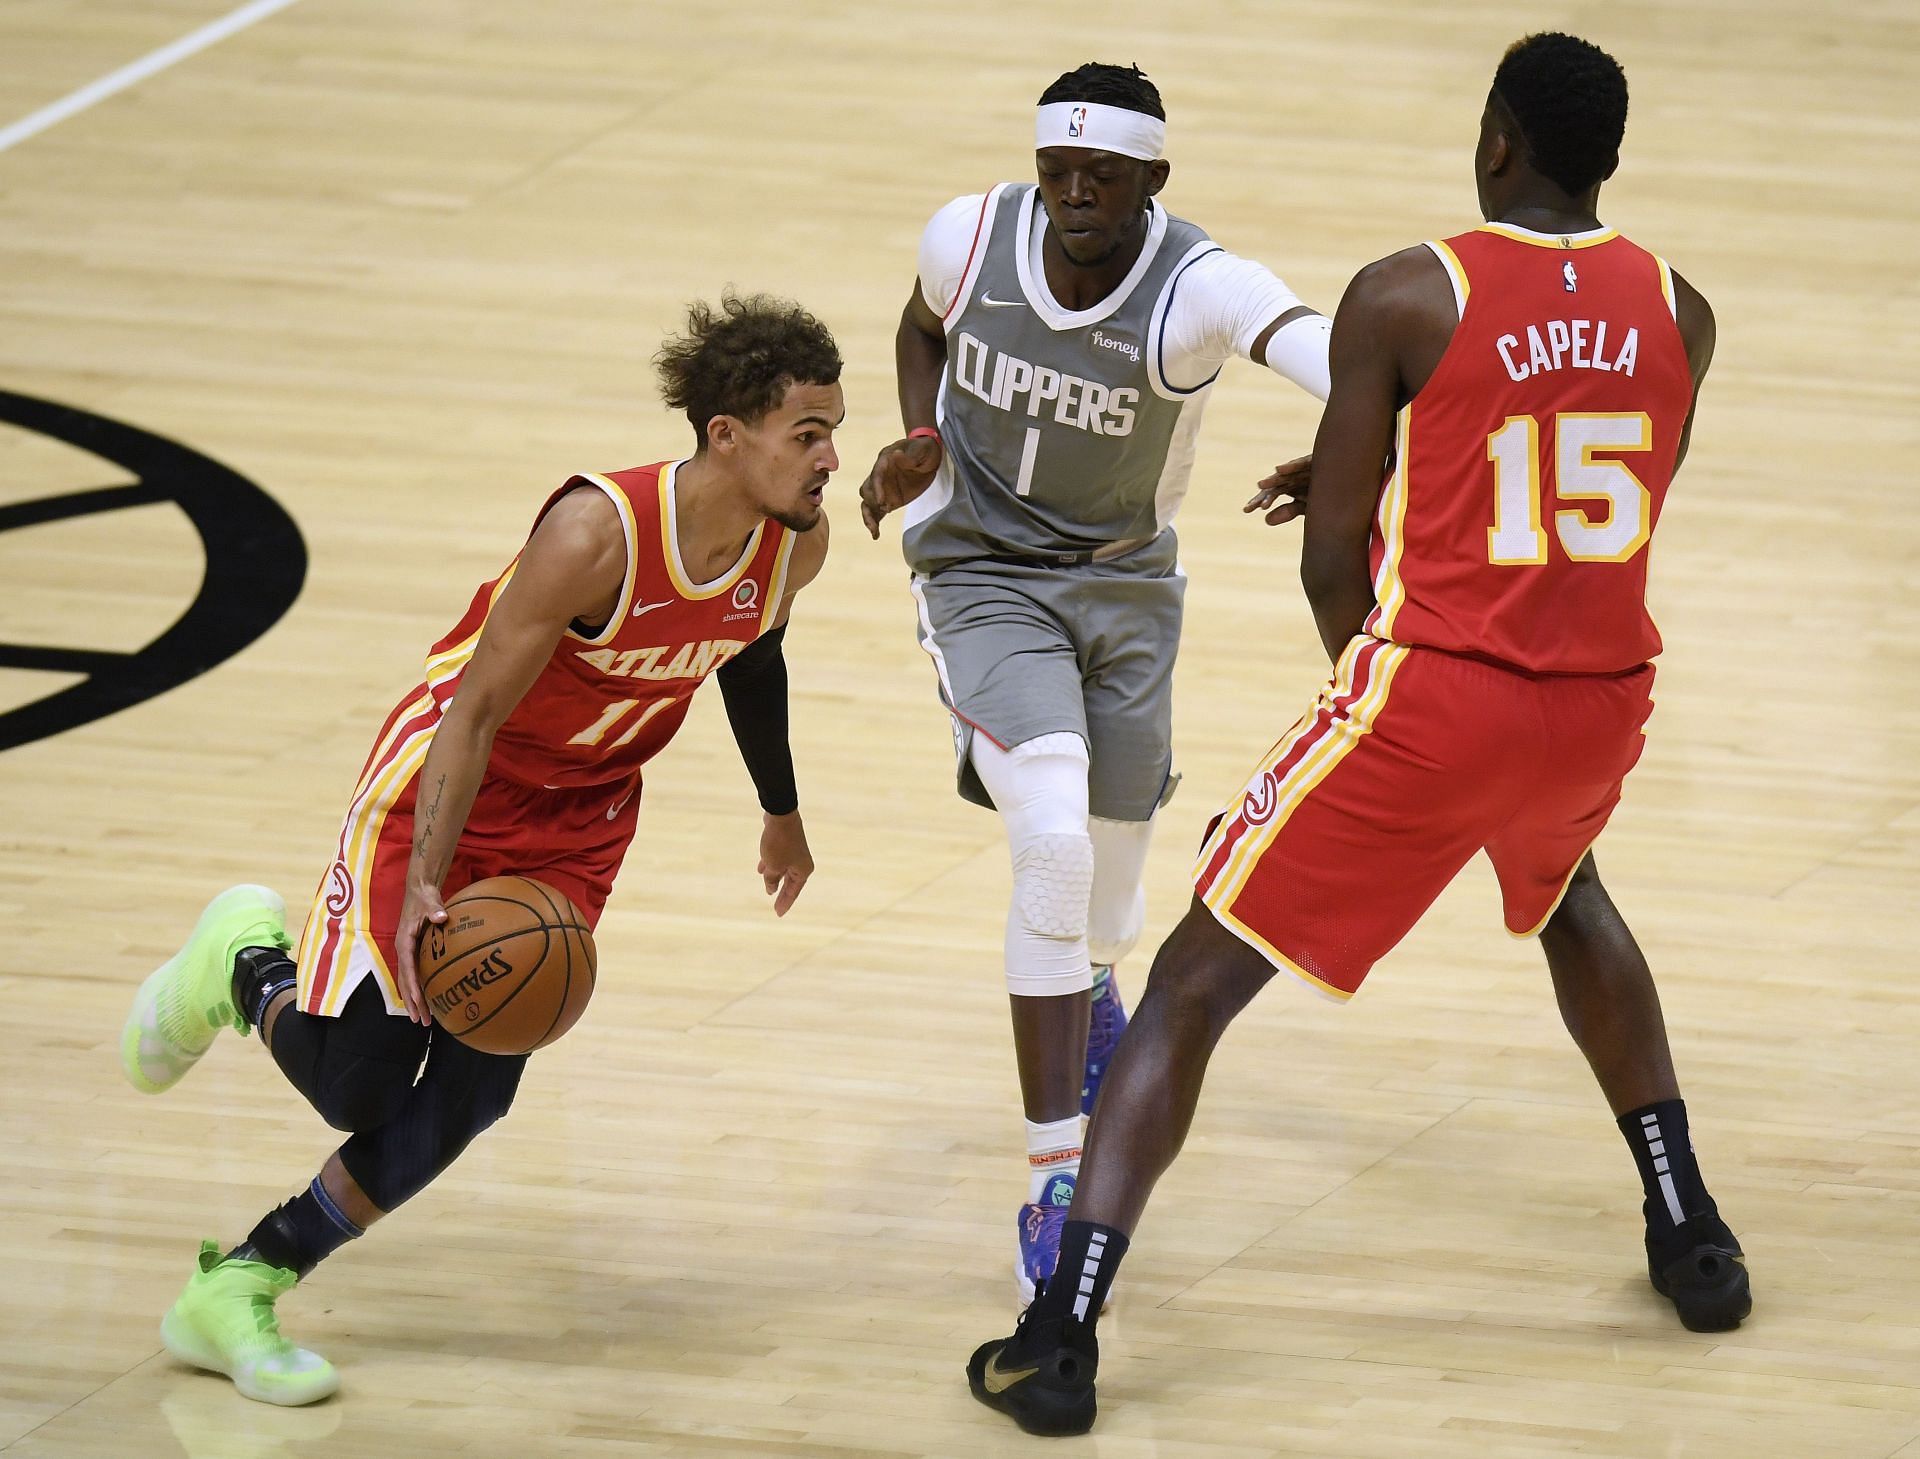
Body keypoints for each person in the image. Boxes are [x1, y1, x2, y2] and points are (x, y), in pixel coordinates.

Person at [967, 33, 1752, 1436]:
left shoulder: (1406, 291)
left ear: (1498, 141)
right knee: (1574, 899)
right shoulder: (1681, 309)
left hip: (1433, 699)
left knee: (1199, 972)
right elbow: (1606, 492)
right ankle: (1691, 1225)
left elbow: (1336, 563)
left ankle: (1060, 1325)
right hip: (1601, 696)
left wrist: (1396, 734)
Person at [120, 293, 844, 1405]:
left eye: (834, 430)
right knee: (361, 1085)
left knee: (476, 1083)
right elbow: (472, 711)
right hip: (454, 785)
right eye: (809, 433)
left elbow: (750, 656)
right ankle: (243, 962)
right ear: (725, 437)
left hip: (581, 818)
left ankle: (243, 1281)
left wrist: (780, 809)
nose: (831, 456)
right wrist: (417, 884)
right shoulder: (593, 536)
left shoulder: (795, 545)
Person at [857, 62, 1330, 1305]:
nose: (1073, 194)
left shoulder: (1198, 289)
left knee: (1110, 903)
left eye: (1101, 177)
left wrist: (1357, 445)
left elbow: (1331, 351)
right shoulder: (969, 236)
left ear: (1151, 181)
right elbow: (919, 323)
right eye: (1056, 170)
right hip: (982, 575)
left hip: (1126, 593)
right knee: (1055, 848)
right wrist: (919, 435)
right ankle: (1054, 1181)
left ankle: (1091, 988)